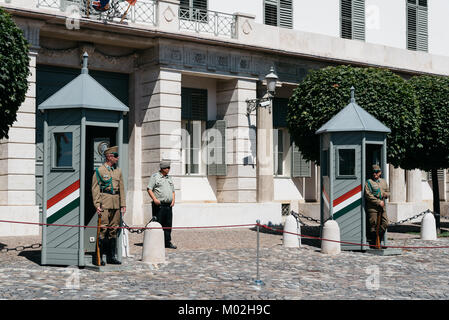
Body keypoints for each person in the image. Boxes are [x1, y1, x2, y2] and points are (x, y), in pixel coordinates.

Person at [92, 146, 126, 265]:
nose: (118, 158)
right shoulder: (99, 170)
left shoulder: (118, 171)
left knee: (113, 230)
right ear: (109, 157)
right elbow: (95, 189)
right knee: (103, 229)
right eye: (116, 156)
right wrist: (97, 204)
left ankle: (111, 257)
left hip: (116, 203)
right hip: (104, 203)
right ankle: (98, 257)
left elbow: (121, 188)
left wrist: (123, 204)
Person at [147, 160, 177, 249]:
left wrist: (173, 200)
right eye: (167, 168)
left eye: (169, 168)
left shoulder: (169, 178)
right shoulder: (155, 177)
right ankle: (156, 242)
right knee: (158, 224)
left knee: (168, 224)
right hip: (159, 205)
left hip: (168, 205)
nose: (168, 169)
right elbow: (149, 189)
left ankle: (167, 242)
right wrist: (154, 199)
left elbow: (173, 191)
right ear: (162, 168)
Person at [364, 164, 390, 247]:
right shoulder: (369, 182)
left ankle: (378, 238)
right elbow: (368, 195)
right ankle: (374, 243)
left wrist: (386, 194)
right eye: (373, 172)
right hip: (373, 207)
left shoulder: (383, 181)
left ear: (380, 173)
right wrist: (378, 202)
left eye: (376, 172)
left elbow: (388, 191)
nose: (375, 174)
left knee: (385, 223)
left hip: (382, 207)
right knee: (373, 225)